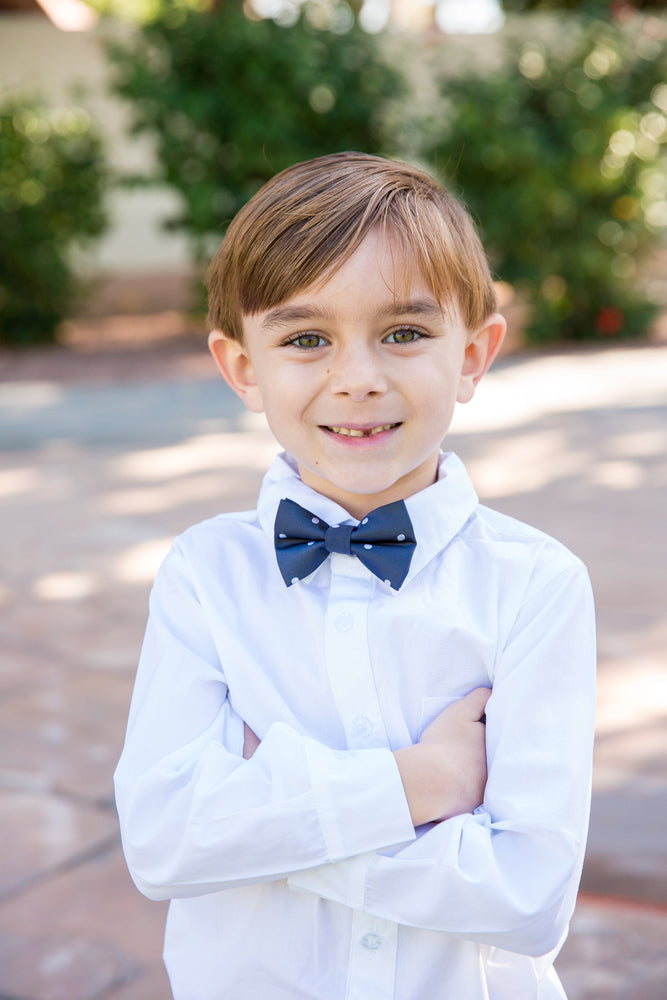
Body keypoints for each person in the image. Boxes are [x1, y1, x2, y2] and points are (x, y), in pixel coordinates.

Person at [114, 152, 596, 1000]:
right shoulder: (204, 577)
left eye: (404, 333)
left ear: (474, 355)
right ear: (243, 369)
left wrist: (268, 823)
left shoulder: (536, 586)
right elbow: (161, 842)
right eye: (306, 339)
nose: (359, 378)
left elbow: (526, 897)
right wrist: (425, 784)